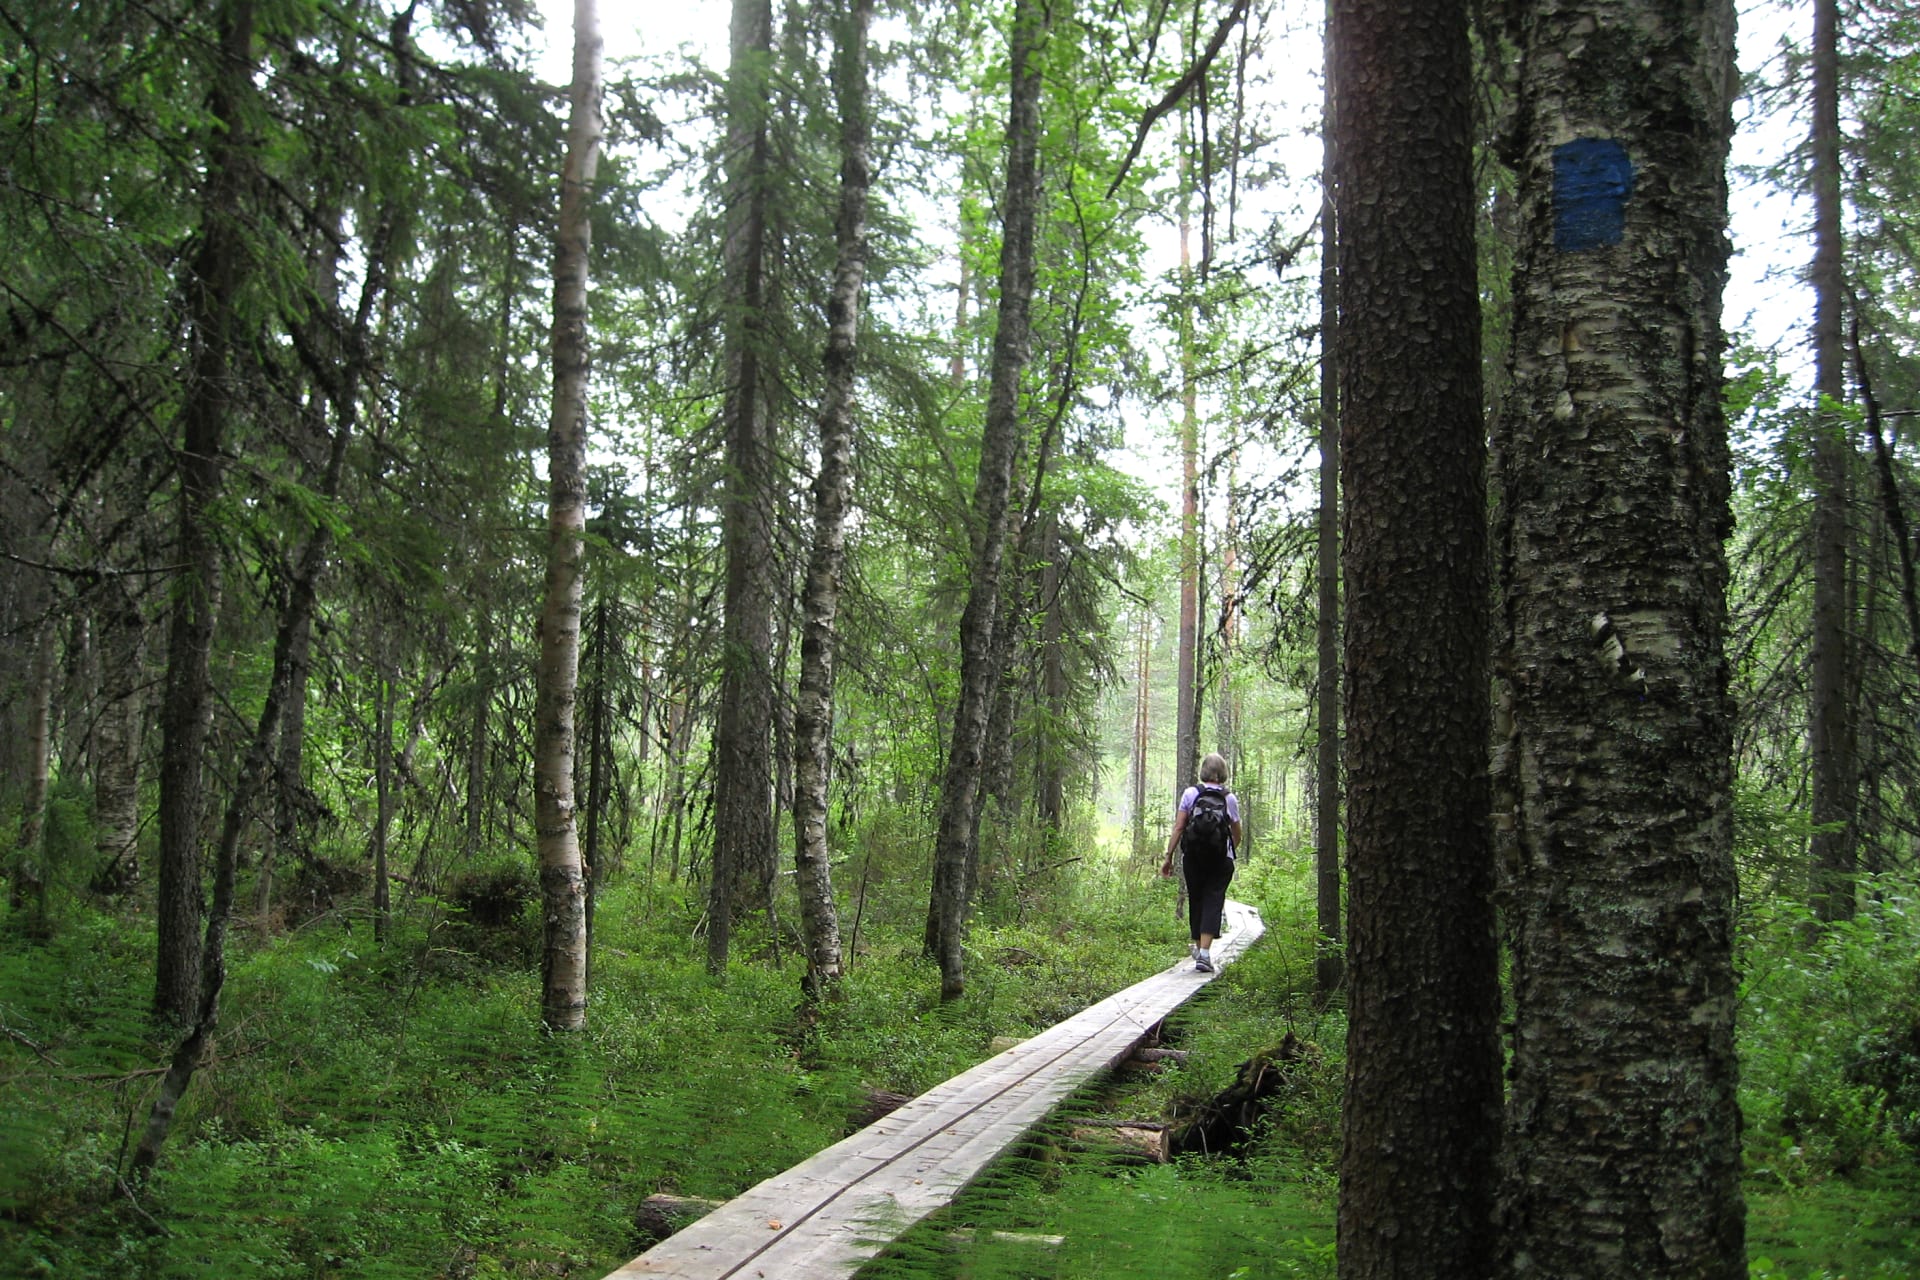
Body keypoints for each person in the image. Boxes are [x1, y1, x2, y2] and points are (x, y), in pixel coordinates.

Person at [1160, 752, 1242, 972]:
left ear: (1203, 771)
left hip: (1193, 858)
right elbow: (1237, 833)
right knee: (1214, 900)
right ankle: (1204, 953)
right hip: (1220, 859)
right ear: (1223, 773)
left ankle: (1199, 948)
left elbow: (1179, 827)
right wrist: (1227, 851)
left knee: (1196, 899)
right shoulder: (1229, 798)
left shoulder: (1191, 793)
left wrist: (1168, 856)